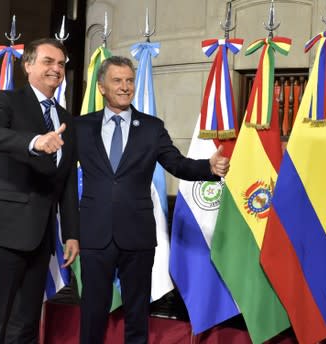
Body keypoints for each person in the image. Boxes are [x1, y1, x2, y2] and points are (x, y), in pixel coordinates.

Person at [75, 56, 230, 344]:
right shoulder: (80, 127)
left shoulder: (151, 127)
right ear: (101, 87)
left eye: (130, 80)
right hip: (94, 234)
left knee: (137, 315)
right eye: (117, 80)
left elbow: (176, 163)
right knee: (92, 313)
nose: (125, 87)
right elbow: (61, 174)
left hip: (138, 235)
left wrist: (208, 168)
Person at [0, 38, 79, 344]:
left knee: (26, 320)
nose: (56, 69)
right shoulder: (6, 100)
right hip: (4, 227)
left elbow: (67, 178)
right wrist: (35, 142)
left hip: (42, 234)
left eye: (61, 64)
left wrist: (71, 233)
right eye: (48, 61)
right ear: (27, 64)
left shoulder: (67, 120)